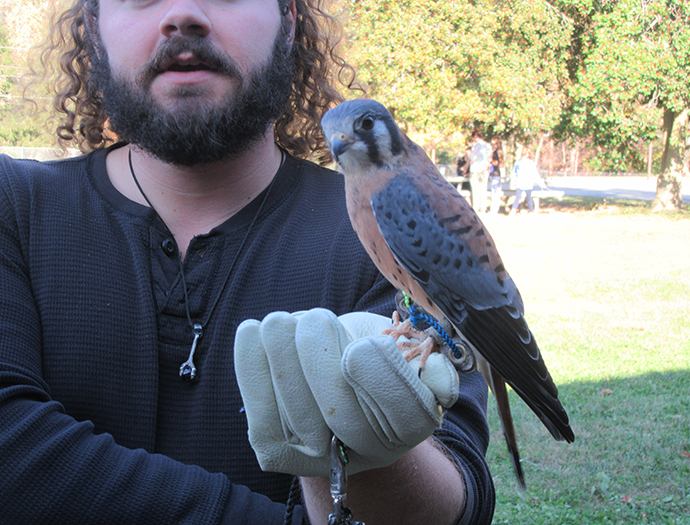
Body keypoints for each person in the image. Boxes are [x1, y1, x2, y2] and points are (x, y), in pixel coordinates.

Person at [0, 1, 495, 524]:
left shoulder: (386, 229)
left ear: (288, 25)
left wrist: (377, 455)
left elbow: (457, 502)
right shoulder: (12, 205)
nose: (184, 14)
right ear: (95, 28)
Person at [509, 146, 548, 215]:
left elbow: (535, 175)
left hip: (524, 183)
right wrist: (541, 184)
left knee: (521, 198)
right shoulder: (521, 162)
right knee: (528, 198)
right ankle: (529, 211)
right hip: (523, 183)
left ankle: (515, 210)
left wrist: (541, 184)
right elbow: (535, 175)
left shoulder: (522, 162)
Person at [467, 130, 492, 213]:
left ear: (475, 137)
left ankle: (476, 207)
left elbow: (473, 158)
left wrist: (468, 154)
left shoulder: (476, 145)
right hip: (485, 169)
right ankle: (483, 207)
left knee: (475, 189)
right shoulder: (488, 146)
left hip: (476, 169)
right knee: (483, 189)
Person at [488, 137, 503, 215]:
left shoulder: (496, 153)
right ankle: (494, 209)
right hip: (494, 175)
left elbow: (495, 163)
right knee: (494, 193)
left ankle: (494, 210)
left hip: (495, 175)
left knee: (495, 193)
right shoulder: (494, 152)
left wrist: (489, 160)